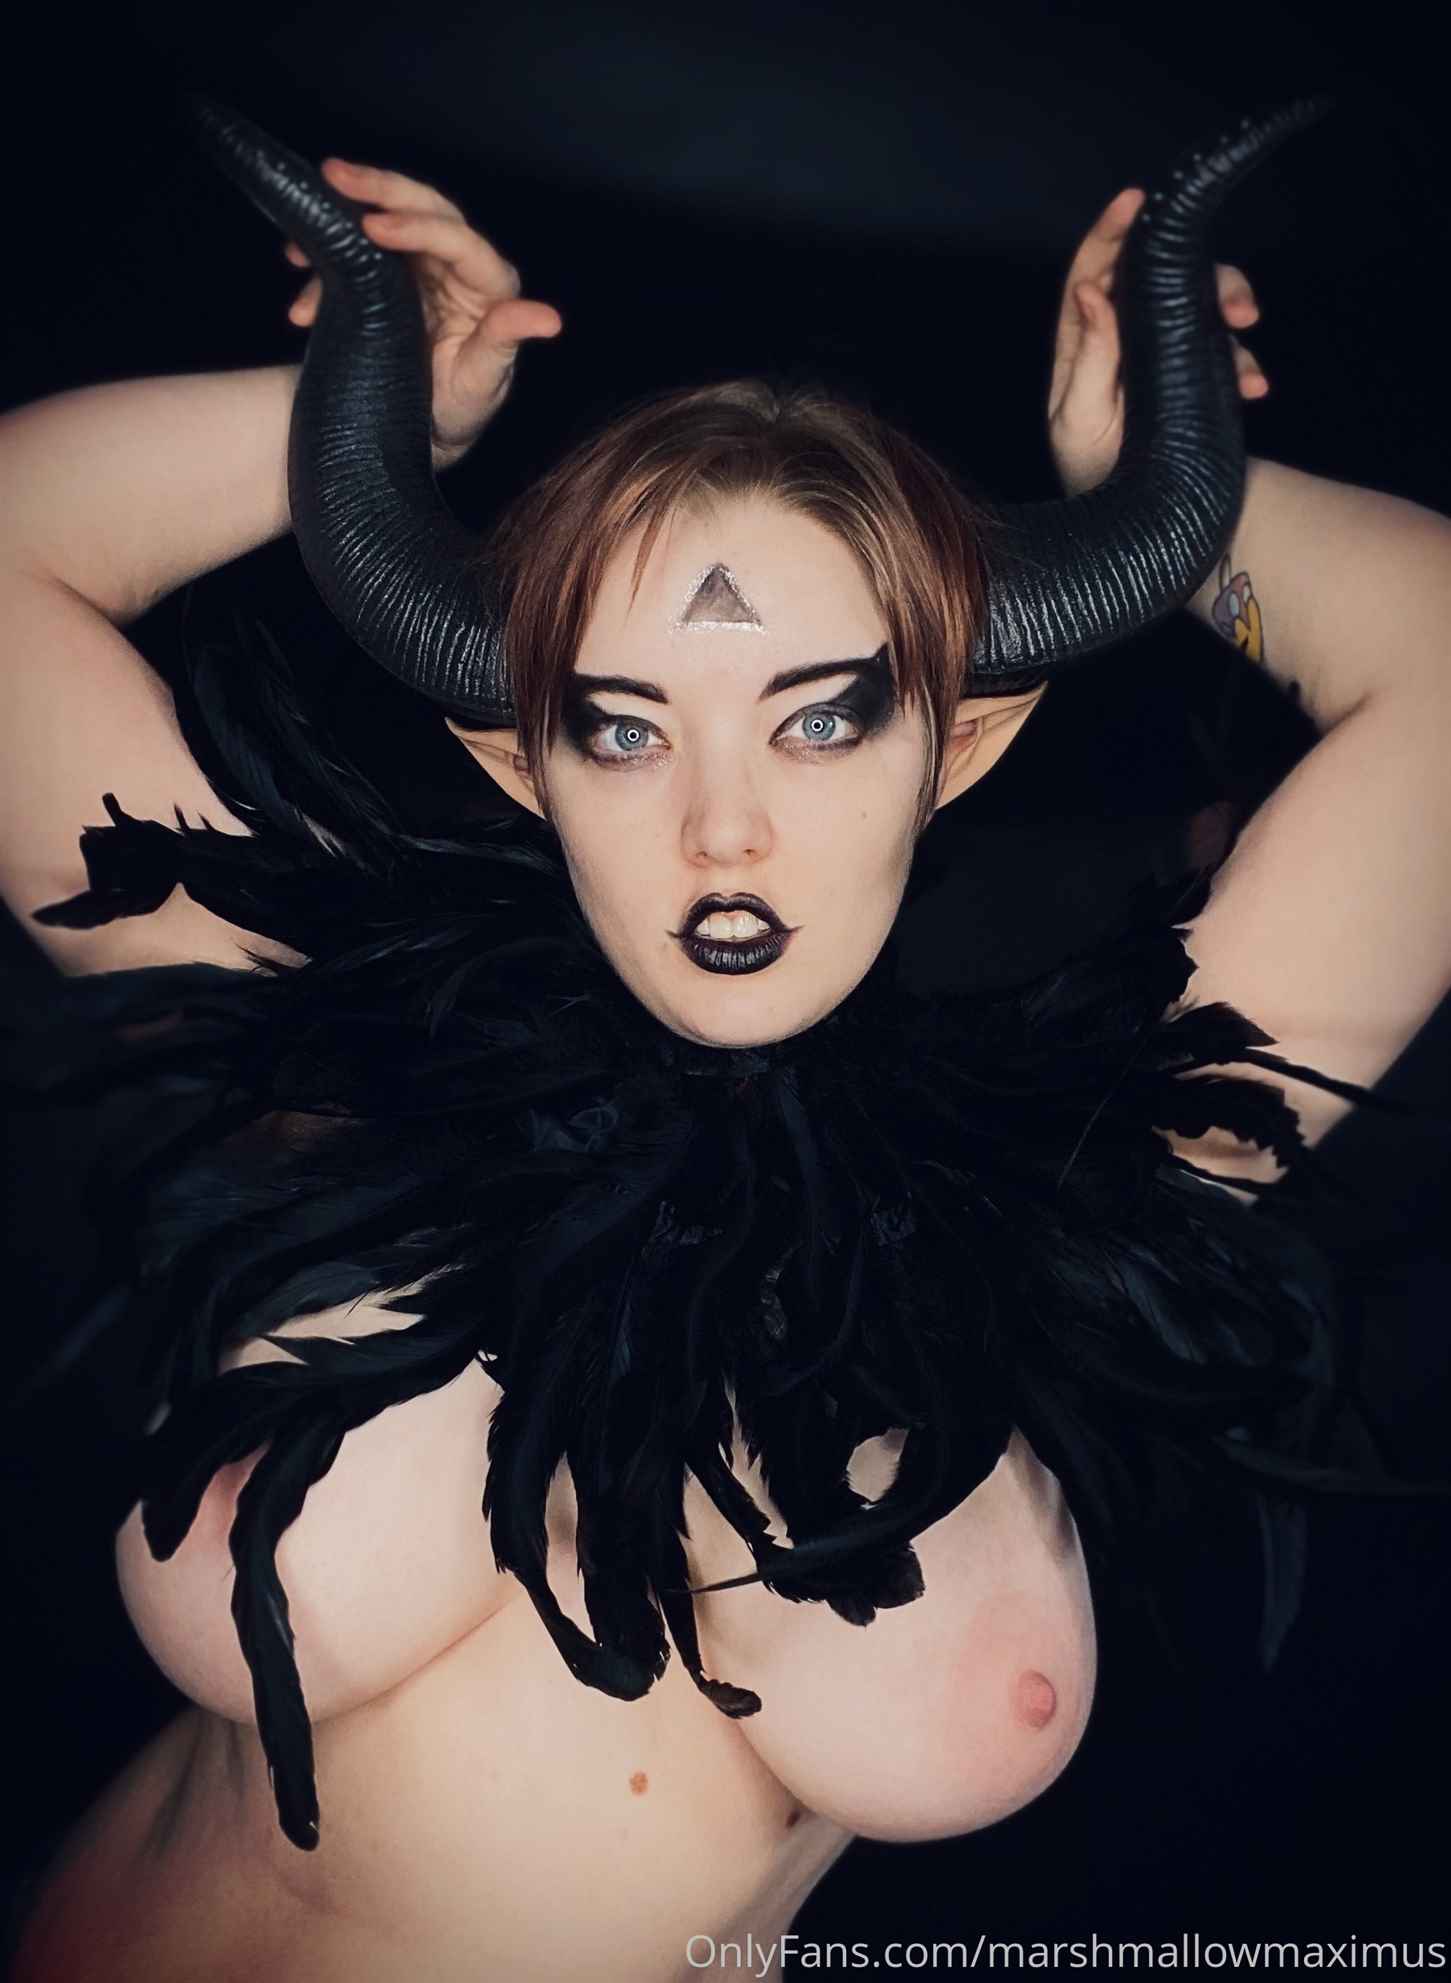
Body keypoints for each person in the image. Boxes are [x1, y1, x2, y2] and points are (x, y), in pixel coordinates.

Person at [3, 92, 1448, 1981]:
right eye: (622, 728)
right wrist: (363, 425)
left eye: (825, 717)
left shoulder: (1111, 1177)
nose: (723, 829)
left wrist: (1167, 514)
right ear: (519, 762)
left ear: (963, 740)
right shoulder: (341, 1060)